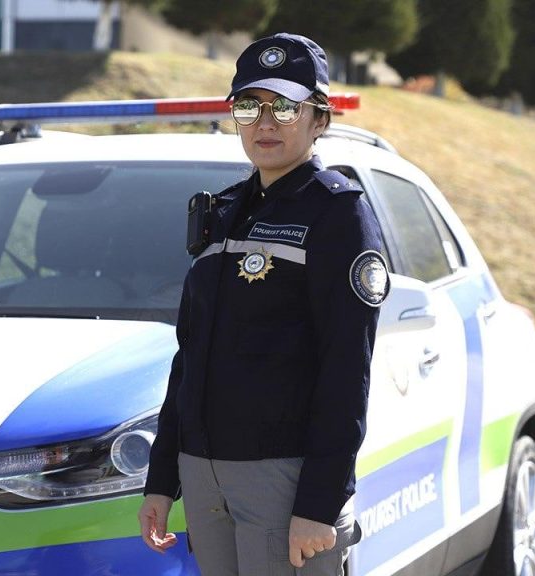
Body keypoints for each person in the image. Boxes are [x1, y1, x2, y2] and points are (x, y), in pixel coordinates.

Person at [138, 33, 389, 575]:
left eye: (285, 107)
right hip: (203, 476)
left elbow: (347, 369)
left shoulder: (337, 214)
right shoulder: (223, 213)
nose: (265, 123)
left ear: (319, 119)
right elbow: (189, 358)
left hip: (284, 479)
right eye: (249, 106)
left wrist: (320, 503)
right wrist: (162, 479)